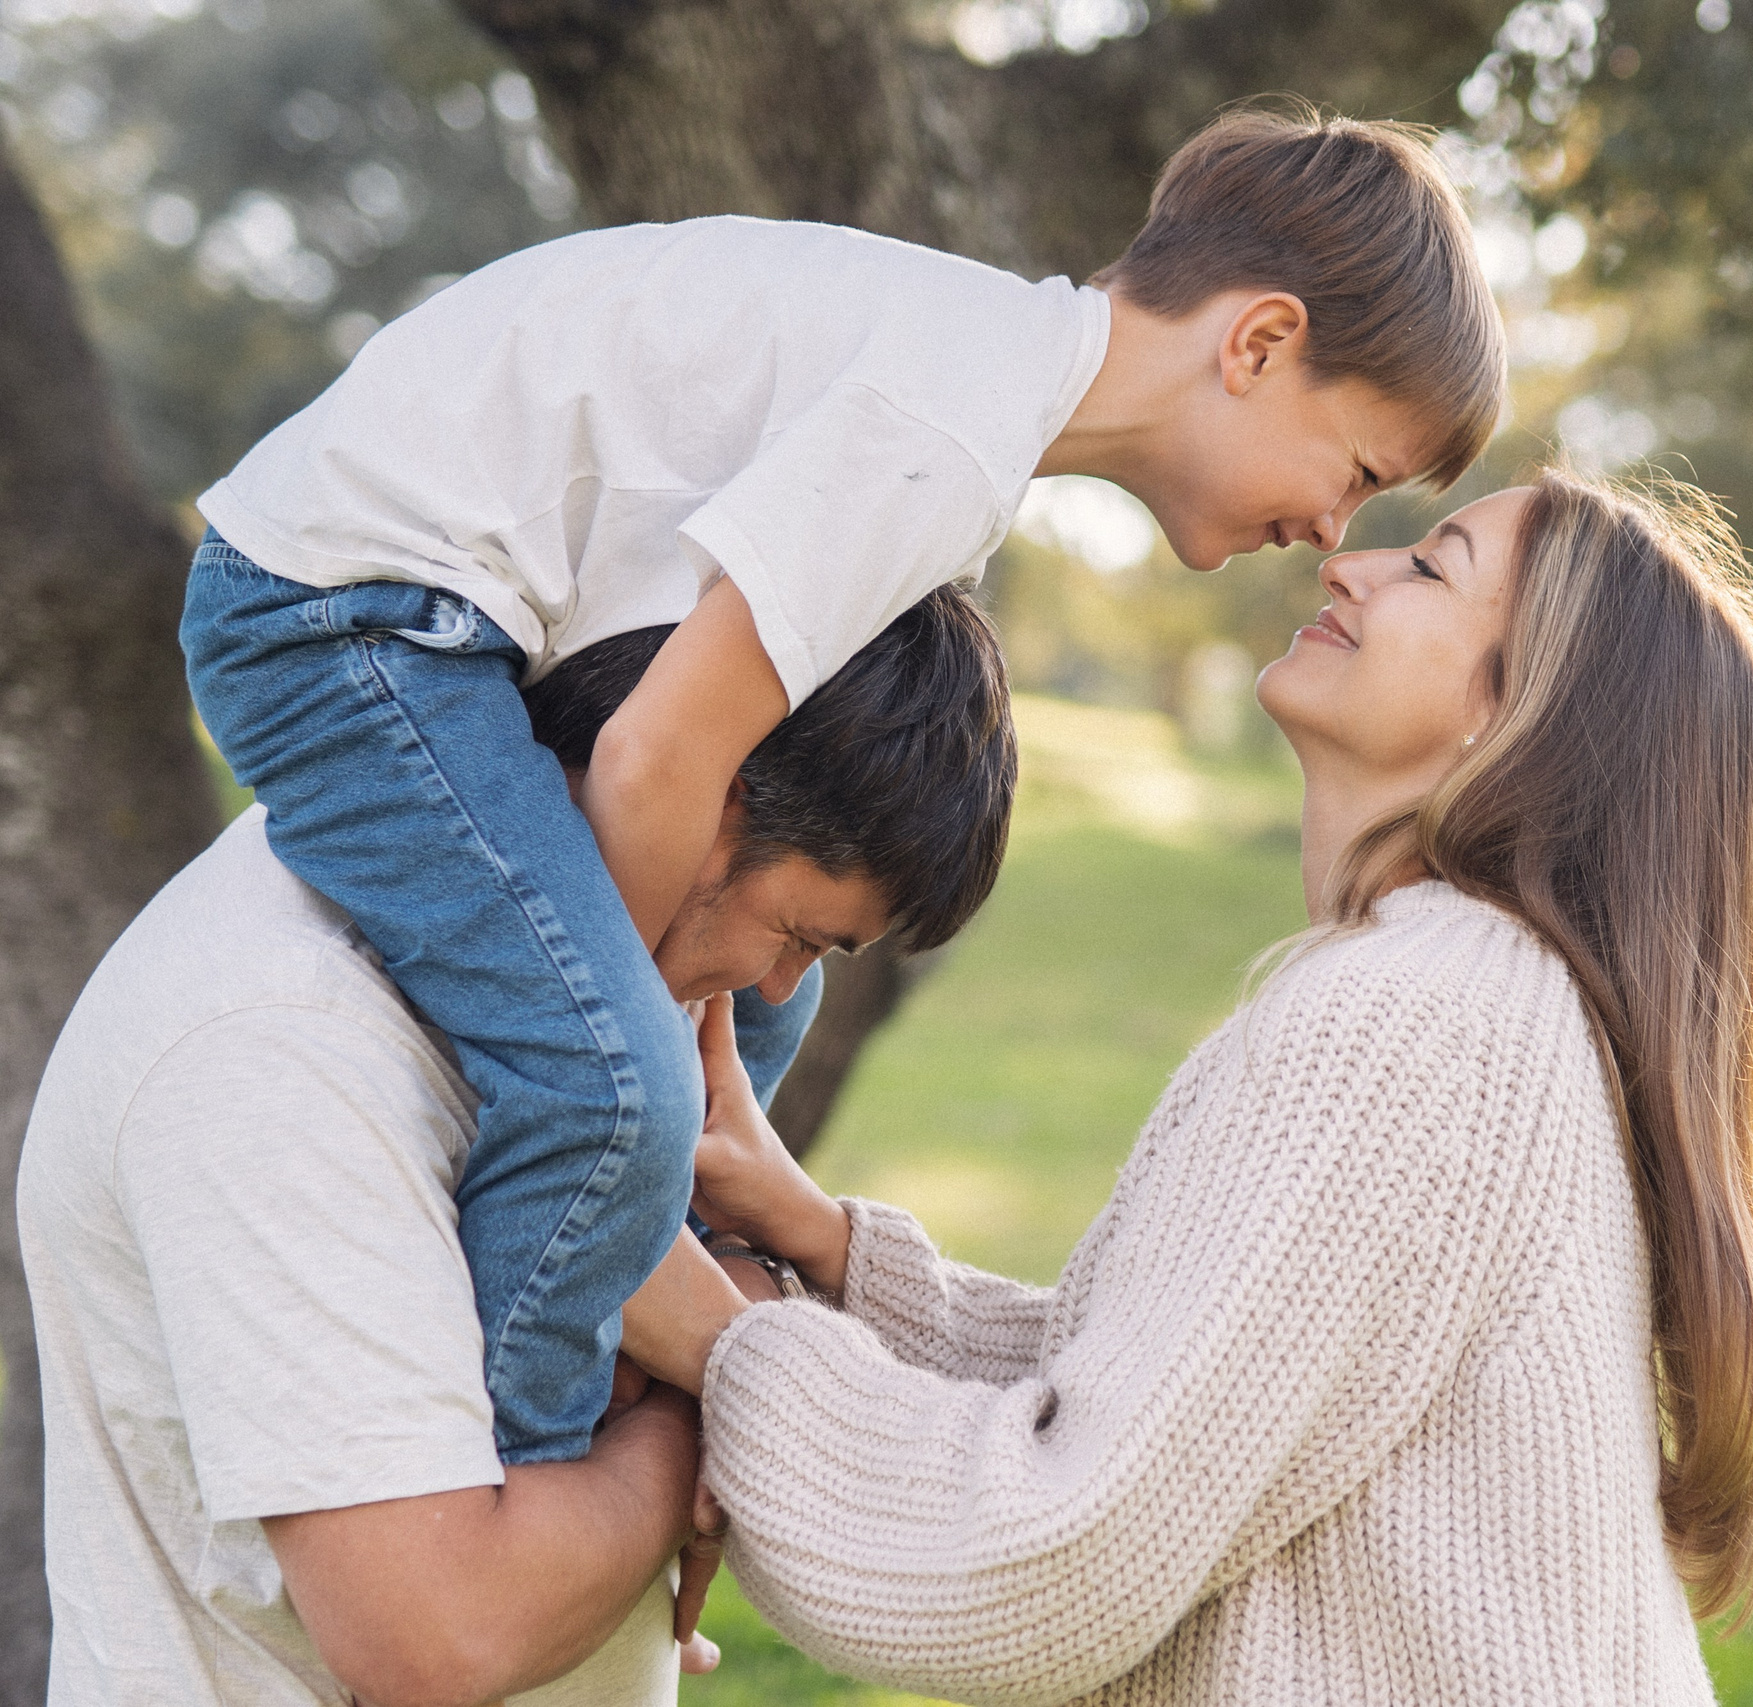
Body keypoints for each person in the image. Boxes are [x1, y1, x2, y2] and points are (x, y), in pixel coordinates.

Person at [178, 104, 1506, 1470]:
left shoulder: (973, 387)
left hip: (439, 624)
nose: (1334, 532)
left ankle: (653, 1314)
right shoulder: (949, 423)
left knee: (770, 1001)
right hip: (339, 617)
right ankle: (520, 1458)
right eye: (1358, 472)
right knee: (613, 1083)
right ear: (1260, 343)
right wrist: (622, 1018)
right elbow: (656, 755)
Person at [624, 470, 1753, 1704]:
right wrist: (821, 1245)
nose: (1348, 563)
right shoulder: (1481, 1003)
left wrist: (712, 1333)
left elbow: (1057, 1559)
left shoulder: (1409, 1022)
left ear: (1521, 717)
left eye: (1429, 567)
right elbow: (1203, 1401)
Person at [18, 587, 1013, 1706]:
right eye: (794, 936)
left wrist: (720, 1312)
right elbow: (440, 1635)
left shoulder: (593, 1005)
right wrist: (708, 1398)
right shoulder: (284, 1043)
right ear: (703, 788)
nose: (779, 990)